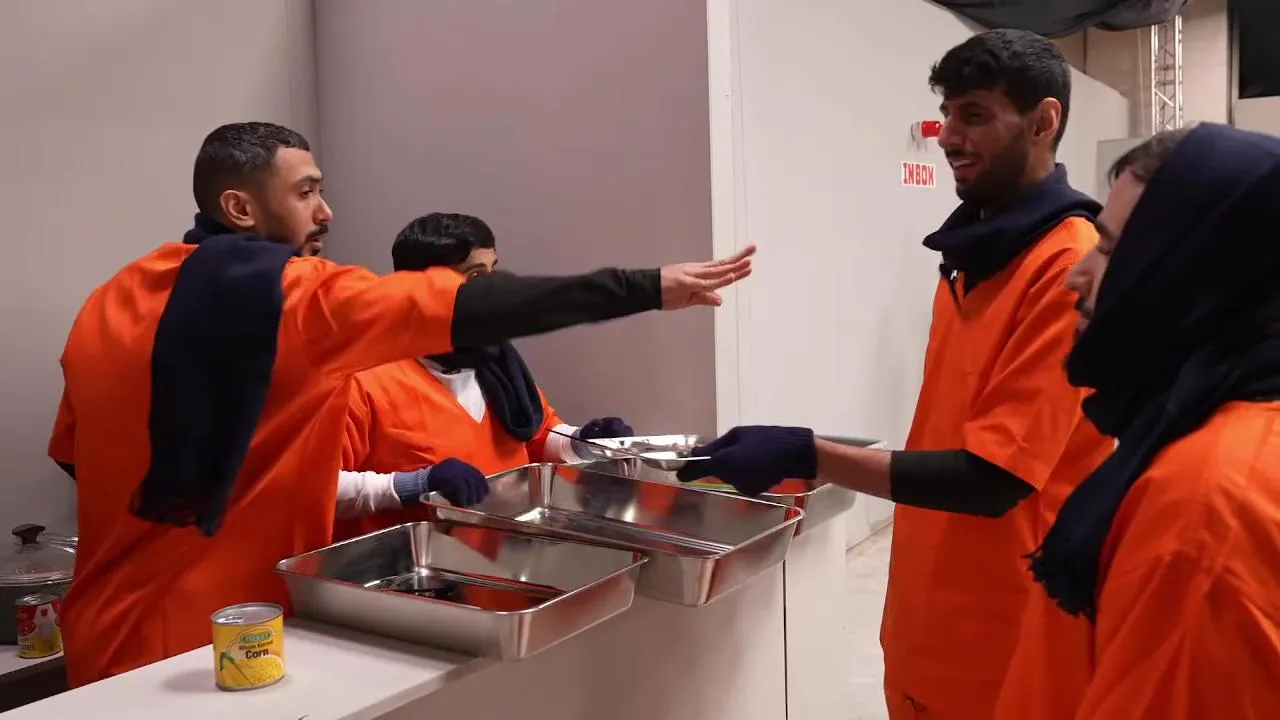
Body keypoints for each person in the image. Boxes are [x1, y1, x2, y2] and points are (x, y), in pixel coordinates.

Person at [46, 121, 753, 686]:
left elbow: (76, 457)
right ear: (240, 207)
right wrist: (646, 286)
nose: (327, 212)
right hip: (227, 639)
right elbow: (466, 305)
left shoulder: (107, 303)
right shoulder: (294, 300)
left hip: (105, 634)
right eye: (307, 193)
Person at [676, 30, 1112, 718]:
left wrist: (809, 454)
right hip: (929, 615)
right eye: (946, 115)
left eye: (974, 115)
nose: (949, 137)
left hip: (1011, 632)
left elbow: (994, 479)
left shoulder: (1064, 267)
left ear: (1043, 121)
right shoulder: (974, 256)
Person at [995, 124, 1280, 719]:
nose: (1077, 275)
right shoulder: (1226, 432)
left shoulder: (1205, 509)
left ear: (1193, 275)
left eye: (1109, 249)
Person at [330, 212, 635, 537]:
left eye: (493, 272)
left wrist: (585, 442)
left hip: (506, 554)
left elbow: (538, 438)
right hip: (417, 563)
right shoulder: (362, 378)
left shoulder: (497, 361)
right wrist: (415, 485)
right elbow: (318, 489)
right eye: (475, 276)